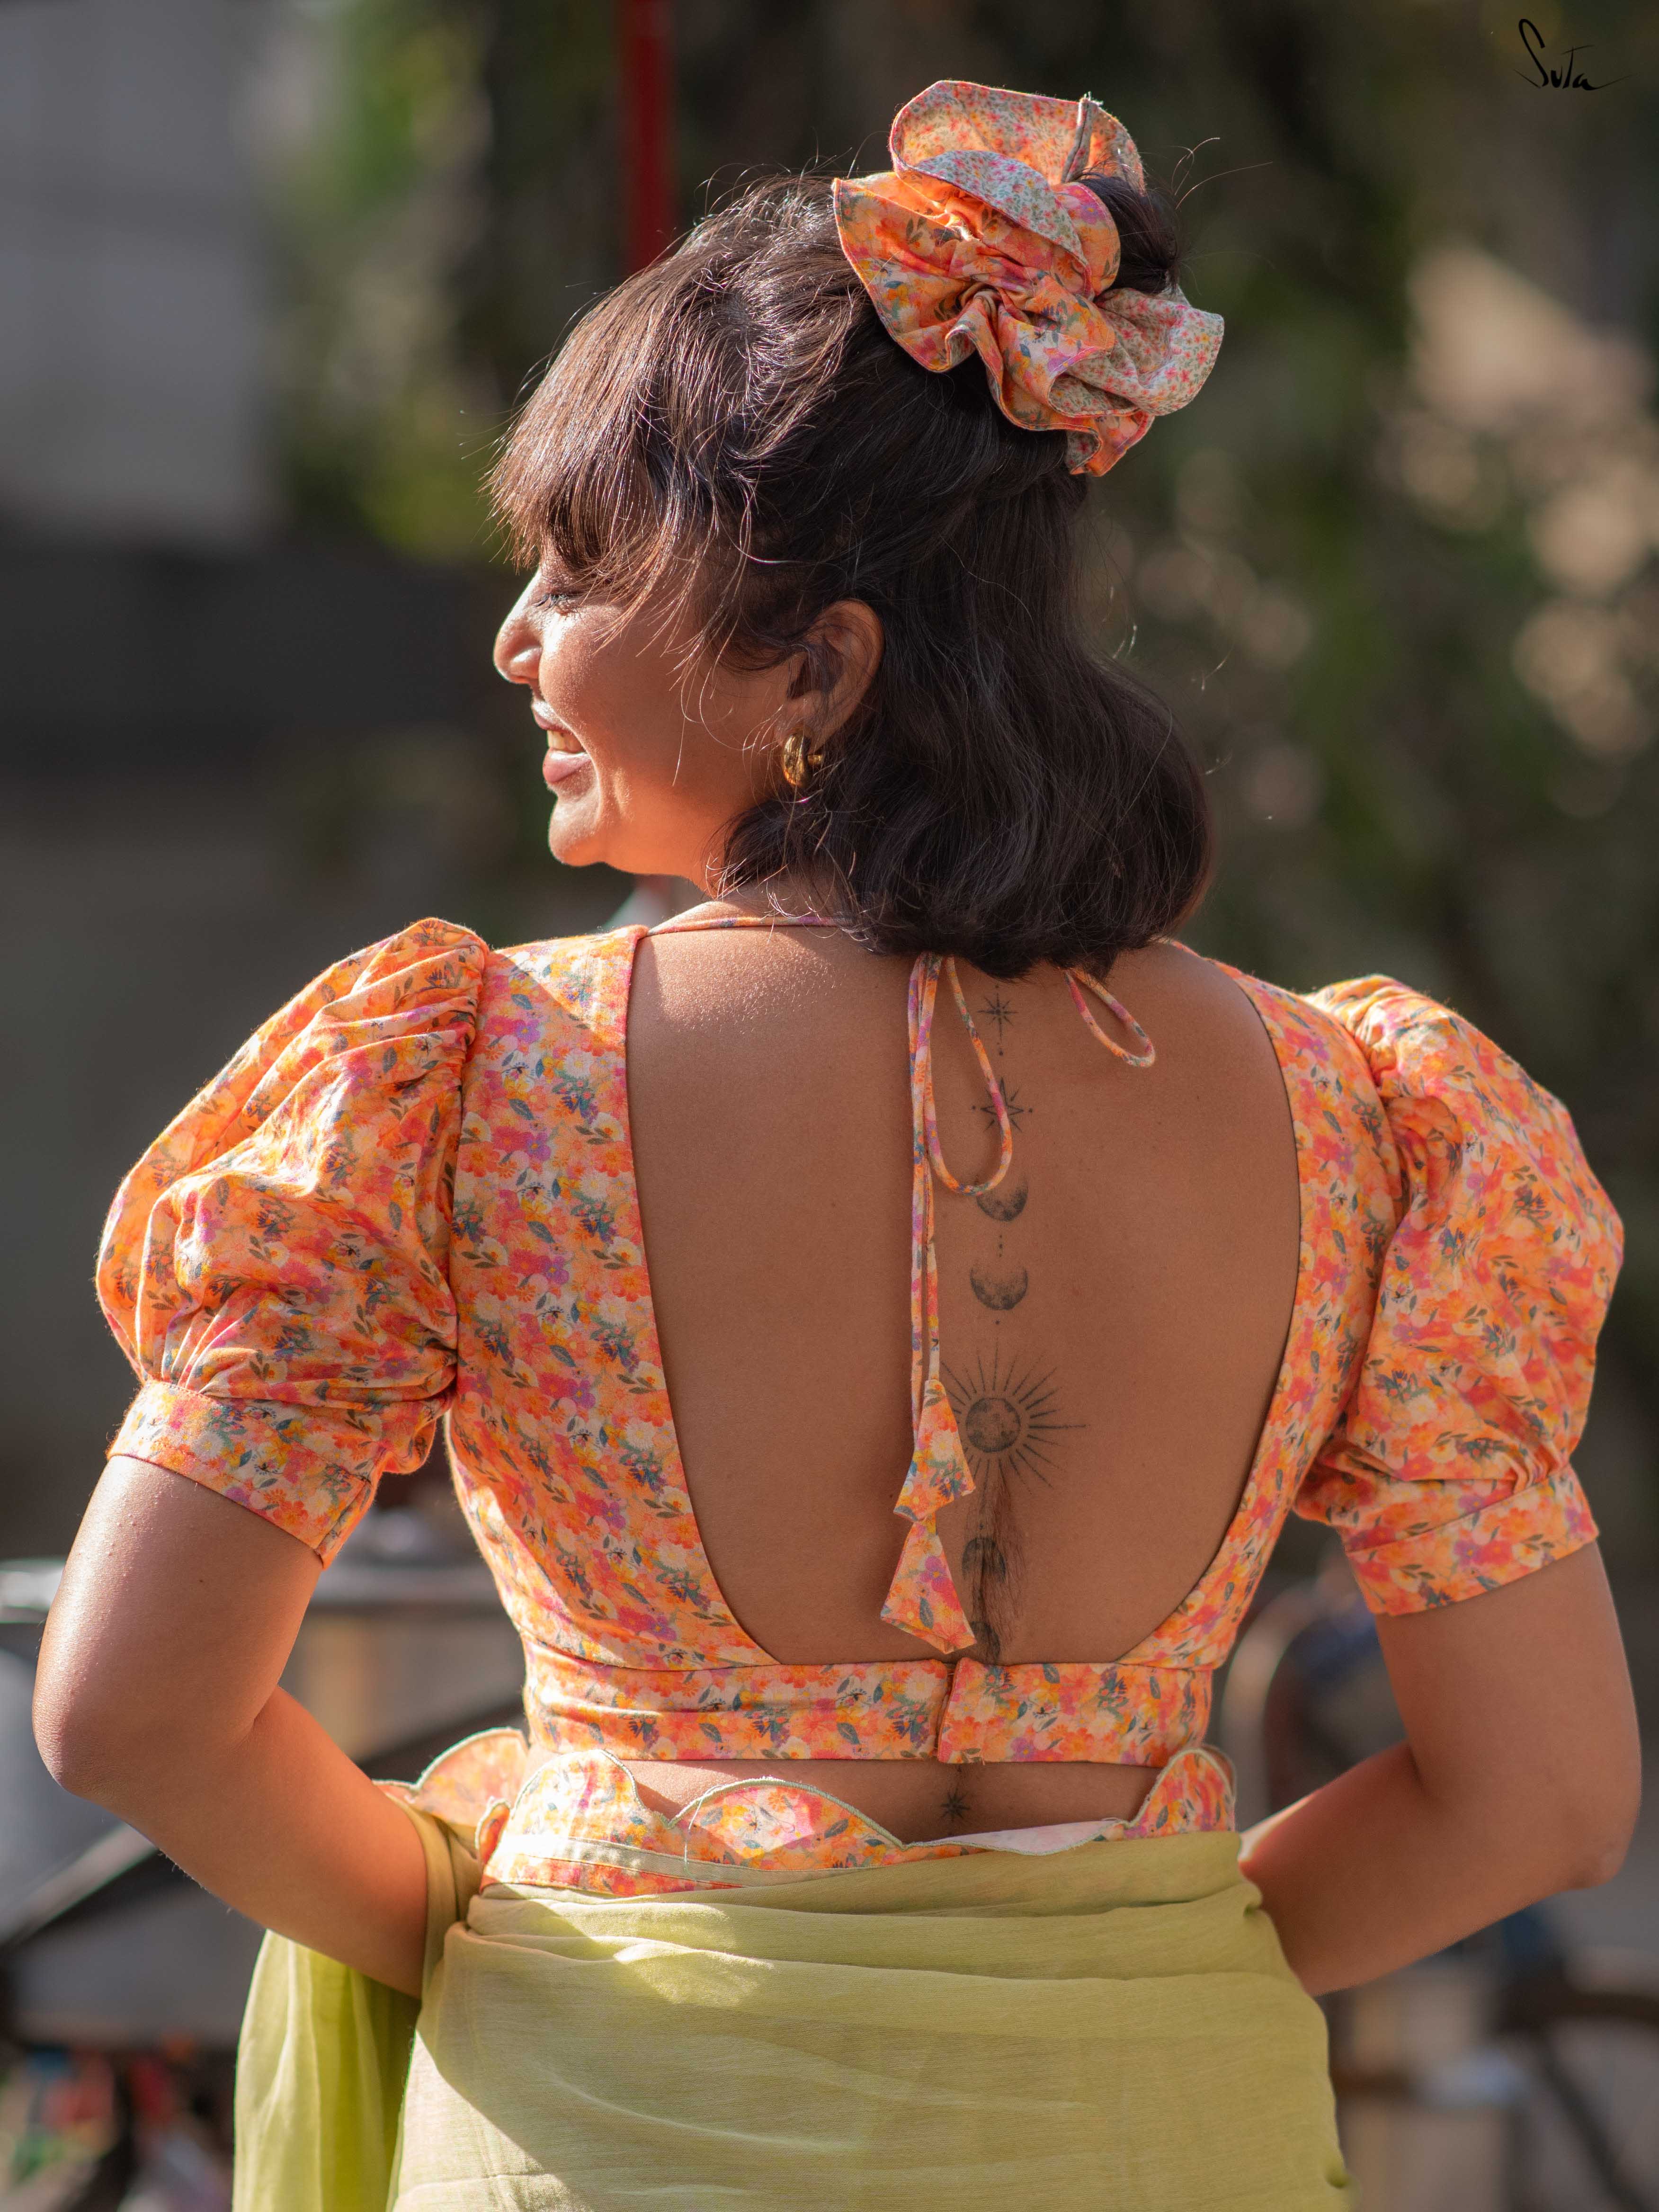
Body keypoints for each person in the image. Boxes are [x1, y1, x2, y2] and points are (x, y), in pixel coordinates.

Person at [35, 79, 1637, 2212]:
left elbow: (130, 1719)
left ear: (820, 663)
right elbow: (1543, 1800)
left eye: (580, 567)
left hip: (623, 2123)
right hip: (1166, 2131)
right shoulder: (1372, 1118)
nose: (517, 638)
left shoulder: (465, 1078)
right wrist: (1145, 1973)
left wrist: (491, 1929)